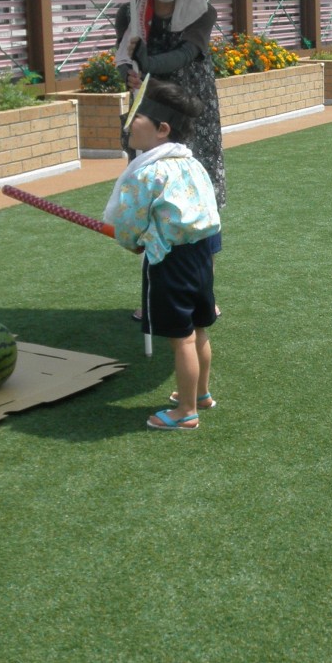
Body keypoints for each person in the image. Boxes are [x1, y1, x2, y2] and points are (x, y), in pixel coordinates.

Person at [102, 77, 221, 430]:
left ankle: (186, 412)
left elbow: (129, 222)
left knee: (181, 338)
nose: (128, 123)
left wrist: (130, 242)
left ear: (162, 129)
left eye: (136, 117)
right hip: (201, 258)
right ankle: (201, 394)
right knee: (199, 330)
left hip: (170, 262)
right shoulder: (192, 163)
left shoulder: (148, 173)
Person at [114, 0, 224, 223]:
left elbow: (185, 54)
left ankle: (200, 235)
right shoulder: (129, 13)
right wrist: (129, 74)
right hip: (149, 104)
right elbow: (123, 56)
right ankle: (150, 235)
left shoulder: (202, 11)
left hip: (189, 102)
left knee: (194, 169)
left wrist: (148, 64)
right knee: (150, 171)